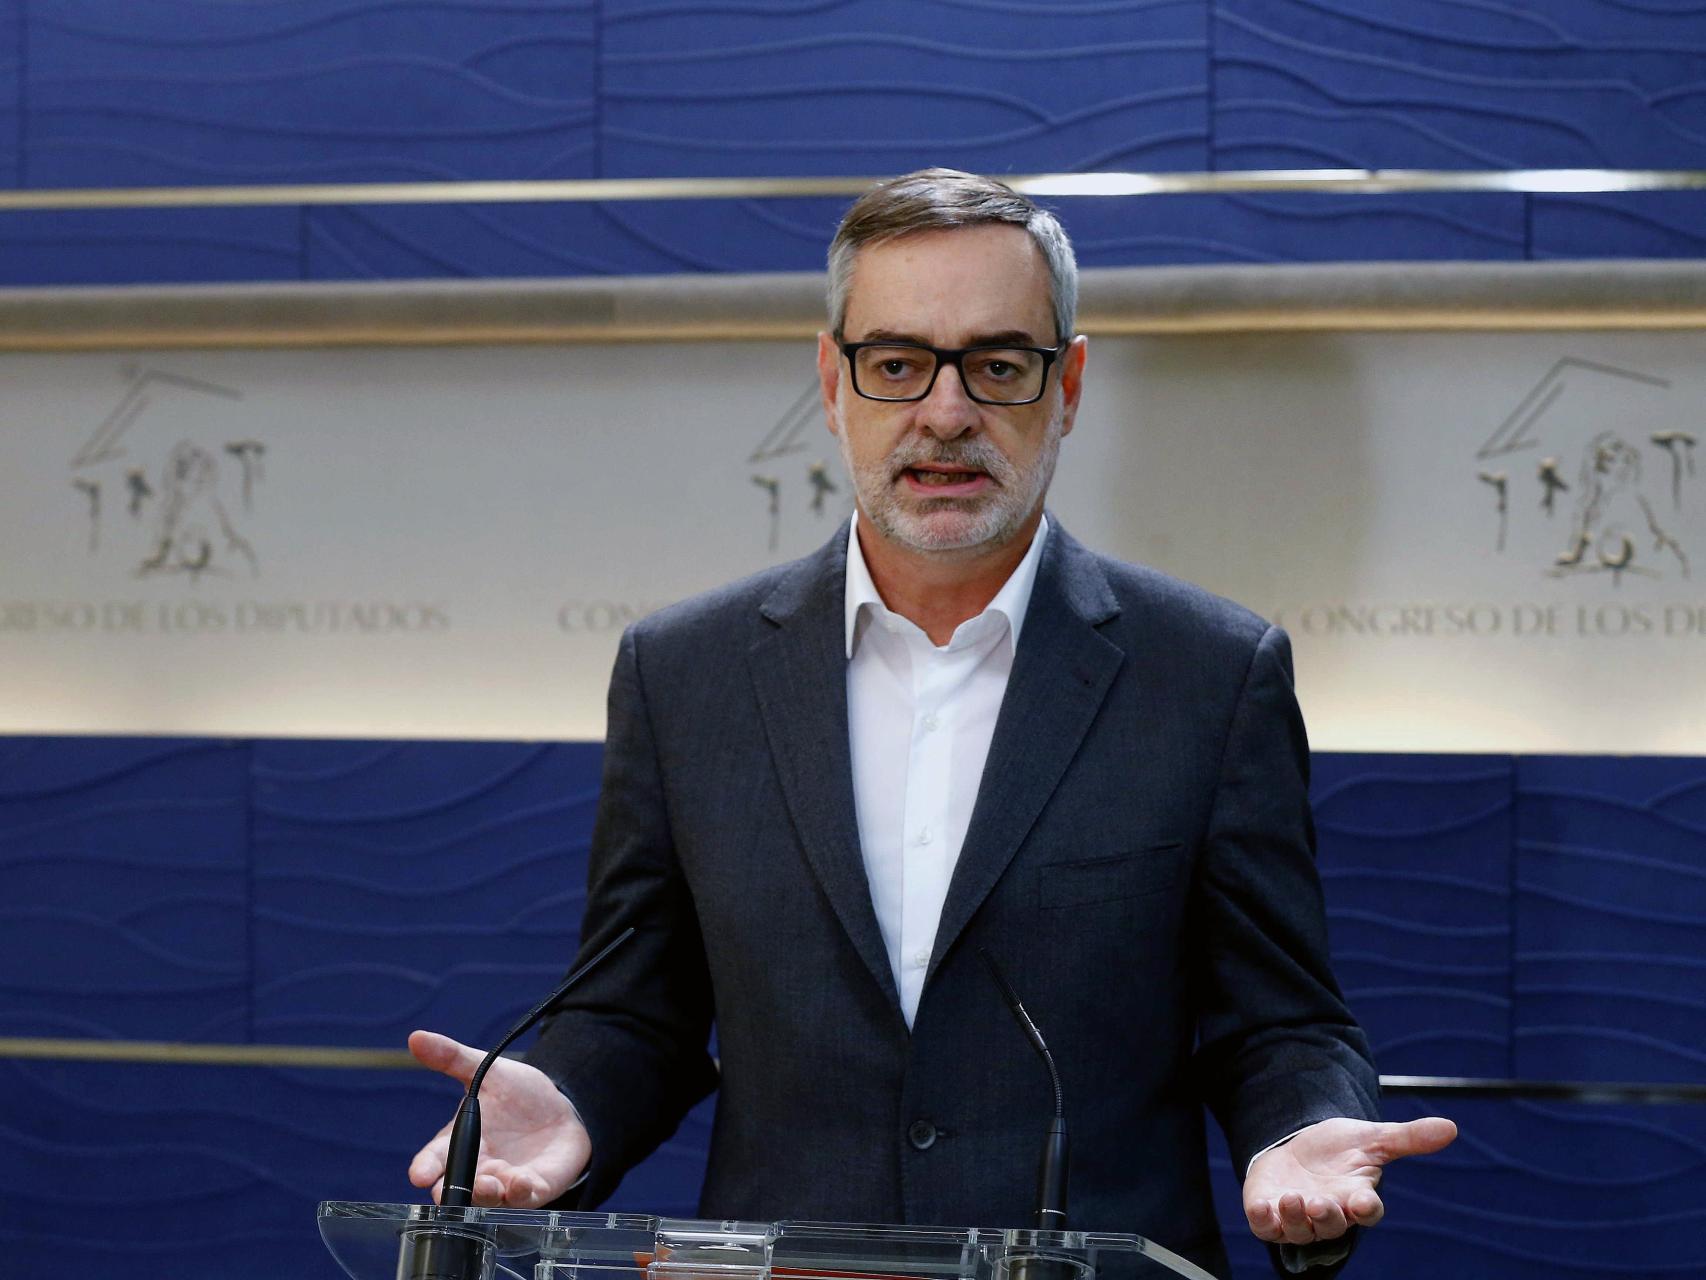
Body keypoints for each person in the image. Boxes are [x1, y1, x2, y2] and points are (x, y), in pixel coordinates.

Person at [407, 168, 1456, 1277]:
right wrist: (567, 1100)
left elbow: (1277, 1021)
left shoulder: (1205, 672)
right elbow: (637, 1009)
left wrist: (1298, 1129)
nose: (945, 413)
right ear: (830, 380)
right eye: (897, 363)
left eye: (997, 365)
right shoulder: (685, 672)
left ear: (1069, 384)